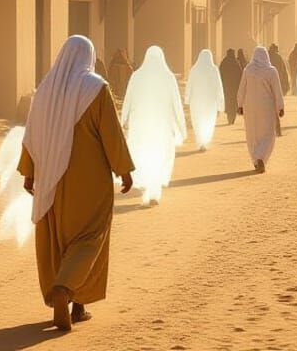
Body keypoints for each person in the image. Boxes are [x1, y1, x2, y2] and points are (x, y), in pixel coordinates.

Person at [19, 35, 135, 332]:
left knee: (60, 240)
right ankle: (66, 289)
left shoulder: (45, 89)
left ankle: (77, 305)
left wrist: (29, 172)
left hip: (51, 181)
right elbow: (112, 133)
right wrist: (124, 169)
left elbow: (31, 134)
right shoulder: (96, 87)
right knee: (88, 239)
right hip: (89, 180)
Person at [120, 46, 186, 205]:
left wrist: (123, 120)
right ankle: (154, 193)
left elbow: (128, 99)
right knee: (159, 155)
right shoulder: (168, 77)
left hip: (140, 125)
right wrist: (181, 126)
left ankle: (148, 189)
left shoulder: (137, 76)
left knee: (143, 154)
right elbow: (176, 103)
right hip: (162, 125)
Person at [237, 47, 285, 172]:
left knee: (252, 134)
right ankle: (261, 158)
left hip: (250, 107)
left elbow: (242, 89)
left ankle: (256, 159)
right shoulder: (271, 71)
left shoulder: (248, 70)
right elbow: (277, 91)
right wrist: (280, 107)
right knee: (268, 134)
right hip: (266, 107)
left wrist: (240, 105)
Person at [184, 50, 224, 150]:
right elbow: (218, 87)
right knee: (208, 121)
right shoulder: (214, 69)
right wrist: (220, 104)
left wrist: (187, 100)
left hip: (196, 101)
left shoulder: (194, 69)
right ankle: (205, 141)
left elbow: (189, 85)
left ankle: (201, 141)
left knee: (198, 120)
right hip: (210, 102)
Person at [218, 49, 242, 125]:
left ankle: (229, 117)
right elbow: (240, 74)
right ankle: (232, 118)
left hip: (226, 87)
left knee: (228, 102)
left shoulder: (224, 62)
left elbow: (220, 74)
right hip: (234, 87)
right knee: (233, 102)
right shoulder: (236, 63)